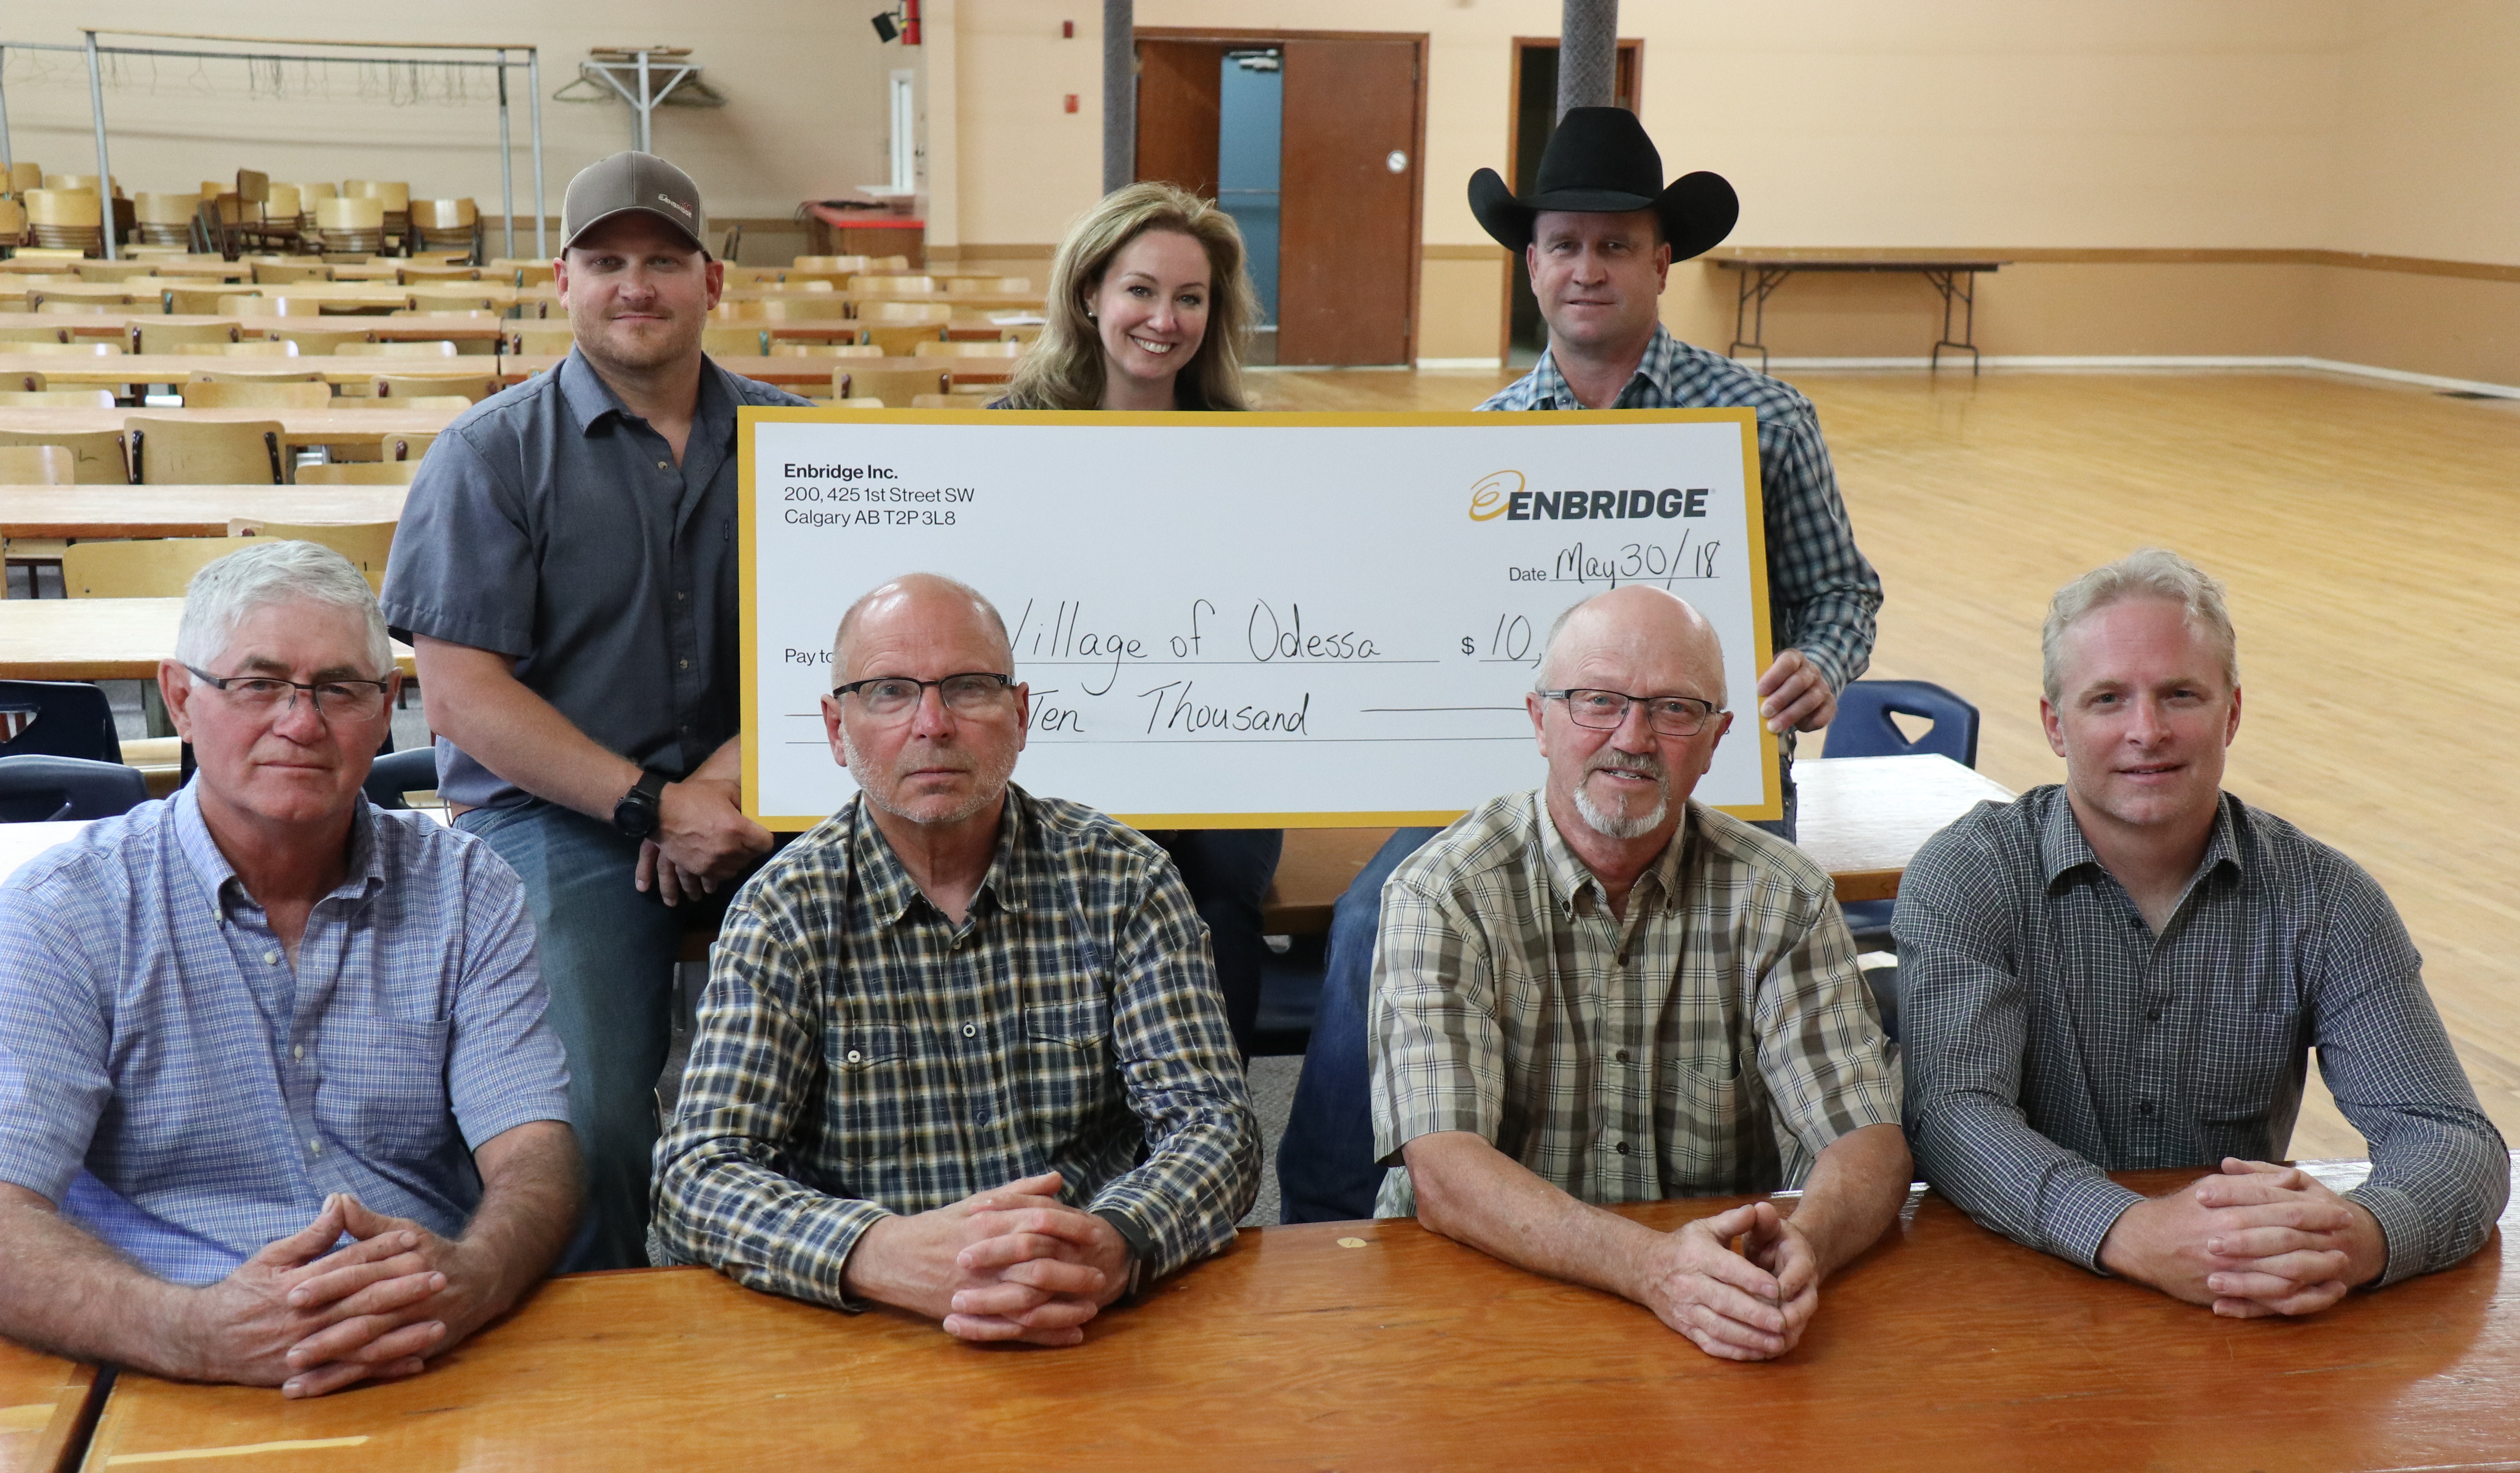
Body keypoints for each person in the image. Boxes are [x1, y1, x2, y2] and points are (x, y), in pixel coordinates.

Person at [1897, 548, 2514, 1473]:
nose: (2148, 730)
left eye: (2180, 694)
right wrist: (2130, 1232)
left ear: (2231, 710)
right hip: (2026, 1366)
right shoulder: (1969, 877)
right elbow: (1951, 1115)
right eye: (2109, 700)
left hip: (2244, 1345)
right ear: (2051, 722)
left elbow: (2454, 1140)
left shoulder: (2325, 895)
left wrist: (2368, 1236)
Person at [1278, 105, 1885, 1221]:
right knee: (1371, 919)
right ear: (1531, 264)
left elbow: (1843, 591)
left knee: (1742, 937)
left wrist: (1819, 662)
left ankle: (1748, 1200)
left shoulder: (1766, 422)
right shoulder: (1487, 437)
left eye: (1616, 245)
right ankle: (1330, 1219)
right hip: (1513, 780)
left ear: (1663, 259)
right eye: (1565, 245)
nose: (1589, 268)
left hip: (1709, 773)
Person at [1368, 584, 1906, 1473]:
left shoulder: (1781, 894)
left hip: (1709, 1346)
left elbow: (1867, 1143)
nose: (1631, 737)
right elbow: (1444, 1169)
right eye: (1598, 701)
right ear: (1538, 720)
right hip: (1479, 1330)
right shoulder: (1442, 891)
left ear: (1716, 739)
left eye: (1671, 710)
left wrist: (1809, 1244)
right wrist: (1654, 1268)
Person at [0, 543, 578, 1400]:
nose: (301, 723)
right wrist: (194, 1331)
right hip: (162, 1366)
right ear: (181, 698)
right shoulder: (66, 907)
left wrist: (473, 1278)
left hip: (427, 1340)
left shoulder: (467, 888)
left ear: (387, 710)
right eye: (258, 683)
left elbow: (537, 1148)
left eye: (338, 689)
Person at [381, 152, 814, 1270]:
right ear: (560, 282)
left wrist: (714, 785)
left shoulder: (805, 446)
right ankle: (604, 1345)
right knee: (591, 1130)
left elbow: (842, 651)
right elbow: (463, 697)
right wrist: (652, 805)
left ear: (712, 283)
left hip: (775, 800)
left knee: (858, 1089)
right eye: (608, 261)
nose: (638, 285)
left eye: (665, 260)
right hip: (555, 816)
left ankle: (833, 1304)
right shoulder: (488, 458)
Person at [650, 572, 1259, 1346]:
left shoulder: (1124, 880)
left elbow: (1216, 1127)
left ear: (1021, 714)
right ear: (837, 731)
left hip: (1094, 1317)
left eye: (969, 688)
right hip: (871, 1329)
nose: (932, 724)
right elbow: (698, 1173)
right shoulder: (784, 913)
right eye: (890, 692)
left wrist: (1111, 1244)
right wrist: (877, 1252)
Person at [995, 180, 1280, 1061]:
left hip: (1214, 745)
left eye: (1190, 298)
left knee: (1223, 898)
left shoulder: (1250, 448)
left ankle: (1203, 1111)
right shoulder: (1009, 434)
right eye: (1141, 290)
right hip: (1070, 739)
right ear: (1091, 294)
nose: (1165, 318)